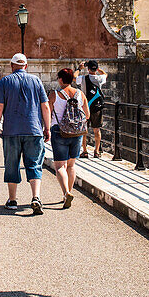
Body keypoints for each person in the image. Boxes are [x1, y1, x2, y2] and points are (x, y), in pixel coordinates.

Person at [0, 53, 51, 214]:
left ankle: (12, 200)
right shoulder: (36, 81)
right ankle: (36, 197)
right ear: (26, 66)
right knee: (34, 164)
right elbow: (45, 106)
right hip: (34, 129)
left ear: (12, 66)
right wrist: (47, 128)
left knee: (12, 164)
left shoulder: (5, 81)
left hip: (11, 131)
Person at [49, 67, 90, 208]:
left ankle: (66, 193)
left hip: (58, 131)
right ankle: (69, 192)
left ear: (60, 79)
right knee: (71, 165)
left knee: (60, 166)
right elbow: (87, 115)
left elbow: (47, 114)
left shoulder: (54, 94)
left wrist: (45, 129)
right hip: (77, 133)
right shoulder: (80, 94)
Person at [77, 59, 107, 158]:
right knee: (97, 129)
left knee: (84, 130)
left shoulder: (83, 78)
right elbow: (105, 74)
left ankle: (85, 151)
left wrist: (79, 68)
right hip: (97, 107)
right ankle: (96, 151)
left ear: (88, 68)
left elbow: (73, 77)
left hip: (86, 107)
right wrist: (98, 69)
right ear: (96, 68)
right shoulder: (100, 78)